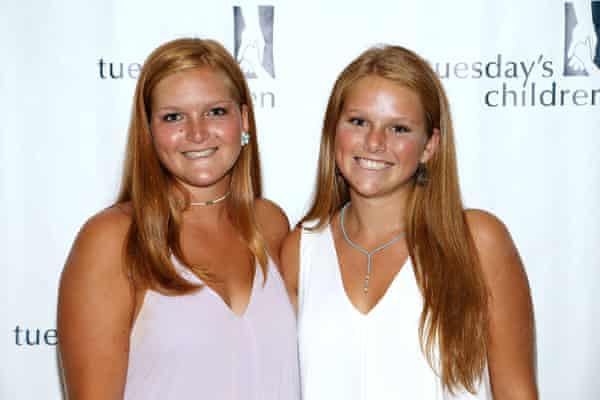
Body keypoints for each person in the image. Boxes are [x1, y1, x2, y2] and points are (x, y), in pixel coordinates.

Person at [281, 45, 538, 399]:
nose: (374, 142)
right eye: (358, 122)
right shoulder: (301, 250)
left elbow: (517, 393)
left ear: (429, 146)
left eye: (398, 129)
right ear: (333, 131)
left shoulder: (478, 241)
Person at [58, 38, 299, 400]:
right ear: (149, 131)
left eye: (215, 111)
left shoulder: (270, 224)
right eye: (173, 117)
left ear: (244, 119)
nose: (197, 132)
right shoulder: (113, 240)